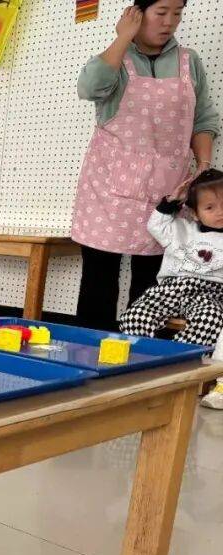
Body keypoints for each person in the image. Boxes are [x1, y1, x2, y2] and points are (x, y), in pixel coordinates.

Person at [71, 0, 218, 331]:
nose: (170, 22)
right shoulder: (117, 60)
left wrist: (204, 167)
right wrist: (123, 37)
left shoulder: (188, 62)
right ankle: (87, 355)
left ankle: (143, 358)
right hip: (109, 191)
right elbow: (89, 88)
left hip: (168, 189)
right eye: (161, 12)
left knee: (152, 284)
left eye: (177, 13)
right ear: (138, 14)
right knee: (98, 278)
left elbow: (203, 118)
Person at [119, 169, 223, 407]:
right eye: (210, 207)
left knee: (211, 318)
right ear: (194, 213)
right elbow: (156, 224)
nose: (220, 212)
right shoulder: (182, 228)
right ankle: (144, 362)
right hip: (171, 288)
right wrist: (172, 201)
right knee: (135, 316)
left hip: (211, 293)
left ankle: (175, 363)